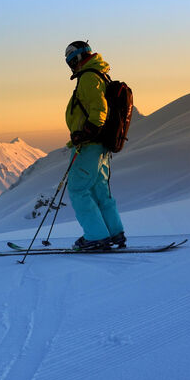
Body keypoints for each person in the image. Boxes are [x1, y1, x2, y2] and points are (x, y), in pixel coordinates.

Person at [64, 41, 127, 250]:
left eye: (72, 61)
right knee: (99, 190)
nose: (71, 66)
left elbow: (99, 109)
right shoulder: (100, 74)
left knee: (78, 189)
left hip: (89, 144)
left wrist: (87, 132)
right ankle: (114, 232)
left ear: (81, 57)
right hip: (100, 146)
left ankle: (96, 236)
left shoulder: (89, 77)